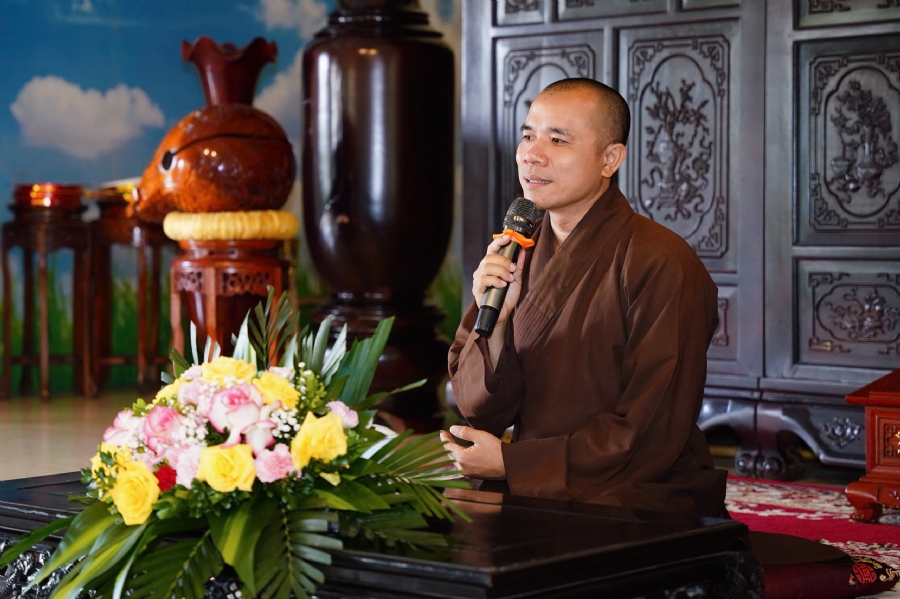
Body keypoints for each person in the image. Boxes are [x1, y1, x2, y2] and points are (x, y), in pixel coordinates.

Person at [441, 78, 727, 518]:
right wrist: (495, 326)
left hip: (633, 492)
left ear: (610, 159)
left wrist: (511, 463)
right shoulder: (518, 248)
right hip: (535, 482)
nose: (532, 154)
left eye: (558, 139)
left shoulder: (661, 261)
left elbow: (651, 432)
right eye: (527, 135)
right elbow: (475, 404)